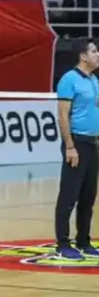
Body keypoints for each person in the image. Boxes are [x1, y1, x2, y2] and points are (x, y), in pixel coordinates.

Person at [53, 40, 99, 260]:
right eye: (94, 51)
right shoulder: (69, 79)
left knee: (88, 196)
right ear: (83, 56)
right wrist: (70, 146)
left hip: (93, 143)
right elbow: (62, 115)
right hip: (77, 143)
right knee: (69, 195)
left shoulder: (94, 80)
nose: (98, 54)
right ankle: (62, 243)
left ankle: (83, 241)